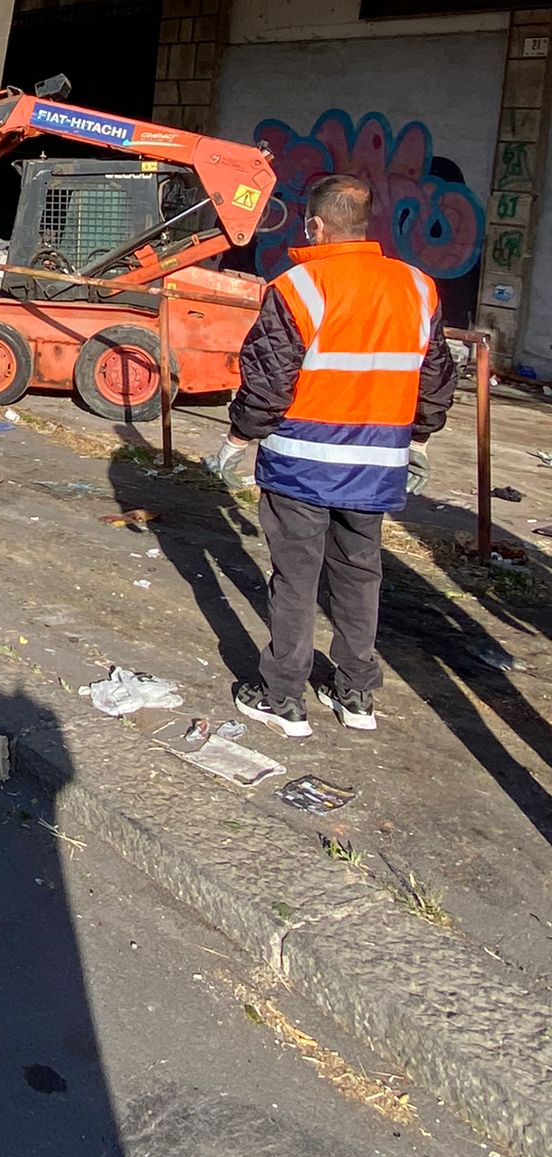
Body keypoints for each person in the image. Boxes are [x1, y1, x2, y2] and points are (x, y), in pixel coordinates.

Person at [210, 171, 456, 737]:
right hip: (376, 466)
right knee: (359, 574)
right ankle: (356, 694)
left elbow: (268, 381)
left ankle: (282, 695)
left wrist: (237, 440)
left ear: (316, 225)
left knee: (295, 578)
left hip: (301, 463)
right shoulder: (418, 287)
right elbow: (436, 375)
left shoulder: (297, 288)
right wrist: (418, 437)